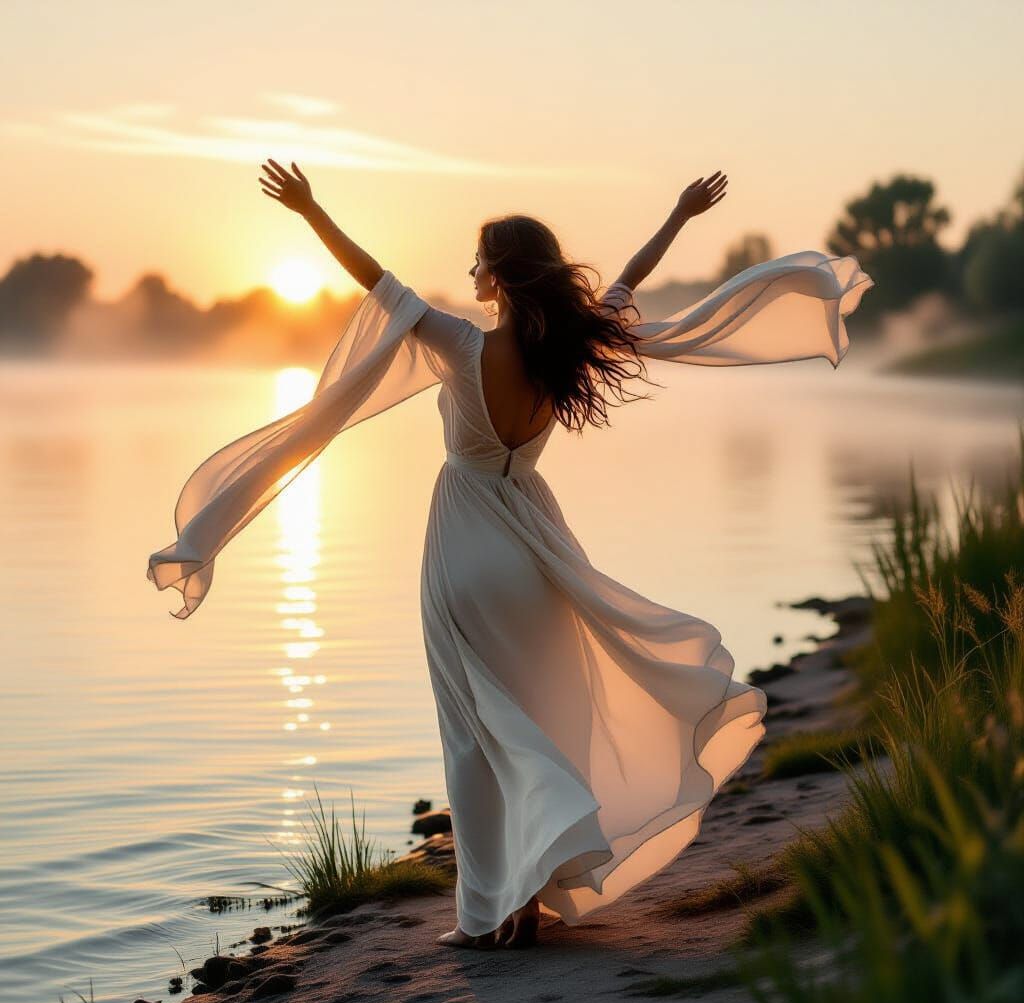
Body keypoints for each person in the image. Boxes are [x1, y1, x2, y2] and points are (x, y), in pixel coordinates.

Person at [148, 158, 873, 951]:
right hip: (535, 544)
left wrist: (311, 211)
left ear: (498, 276)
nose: (469, 271)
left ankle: (487, 913)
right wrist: (679, 213)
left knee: (476, 736)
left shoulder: (461, 344)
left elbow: (374, 279)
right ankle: (530, 901)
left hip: (465, 543)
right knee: (542, 714)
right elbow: (631, 276)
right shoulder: (573, 341)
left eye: (478, 260)